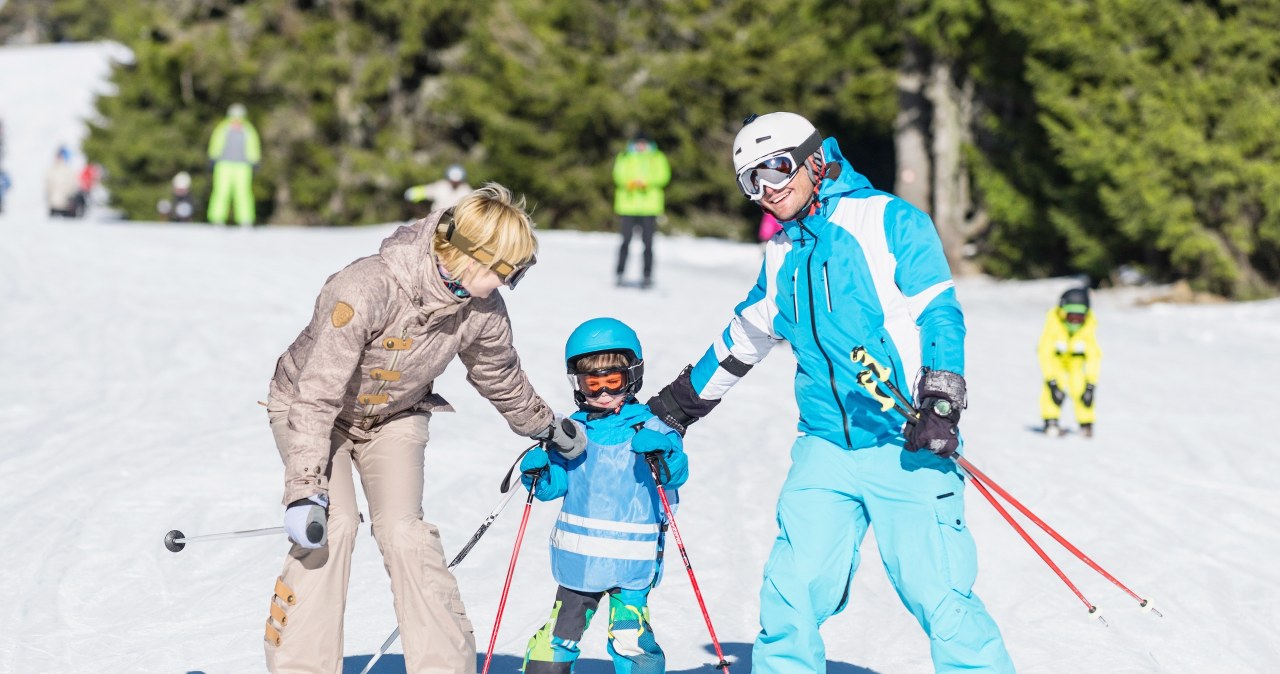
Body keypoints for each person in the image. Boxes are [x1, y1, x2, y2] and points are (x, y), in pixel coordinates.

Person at [644, 112, 1015, 672]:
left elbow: (938, 313)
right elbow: (741, 341)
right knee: (791, 591)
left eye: (775, 169)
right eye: (752, 182)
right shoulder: (781, 255)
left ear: (815, 160)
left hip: (905, 439)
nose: (767, 191)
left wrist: (941, 401)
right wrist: (672, 410)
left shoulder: (889, 221)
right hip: (824, 446)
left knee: (939, 594)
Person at [262, 184, 587, 674]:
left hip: (394, 416)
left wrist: (544, 426)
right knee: (332, 525)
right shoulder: (365, 287)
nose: (506, 283)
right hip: (312, 414)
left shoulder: (481, 310)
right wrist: (305, 489)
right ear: (470, 257)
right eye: (505, 271)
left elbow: (498, 375)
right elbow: (318, 394)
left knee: (405, 533)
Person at [516, 317, 688, 674]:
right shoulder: (571, 433)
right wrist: (538, 473)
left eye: (613, 381)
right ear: (578, 385)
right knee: (559, 637)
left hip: (632, 564)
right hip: (580, 564)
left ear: (633, 375)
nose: (603, 393)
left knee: (630, 640)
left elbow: (677, 475)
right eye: (591, 384)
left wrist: (663, 453)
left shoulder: (653, 427)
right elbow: (554, 487)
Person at [1037, 287, 1102, 438]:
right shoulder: (1053, 323)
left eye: (1080, 317)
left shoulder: (1089, 327)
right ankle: (1050, 421)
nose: (1075, 321)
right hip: (1056, 361)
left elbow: (1094, 356)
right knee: (1053, 389)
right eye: (1071, 316)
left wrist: (1091, 385)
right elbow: (1044, 352)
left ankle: (1086, 423)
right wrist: (1051, 382)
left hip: (1076, 363)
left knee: (1080, 387)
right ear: (1062, 312)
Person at [612, 132, 670, 289]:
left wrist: (647, 183)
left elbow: (664, 176)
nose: (641, 146)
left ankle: (647, 275)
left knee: (648, 244)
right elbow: (618, 175)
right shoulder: (624, 157)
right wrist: (630, 183)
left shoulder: (657, 157)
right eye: (639, 143)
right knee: (625, 242)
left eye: (644, 143)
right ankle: (619, 273)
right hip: (628, 206)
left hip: (649, 207)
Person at [206, 102, 261, 227]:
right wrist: (212, 158)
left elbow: (253, 146)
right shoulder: (223, 128)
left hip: (243, 166)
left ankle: (245, 219)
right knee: (221, 191)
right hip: (223, 164)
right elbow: (216, 143)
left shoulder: (248, 130)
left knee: (243, 192)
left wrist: (255, 161)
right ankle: (217, 218)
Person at [404, 163, 474, 211]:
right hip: (436, 222)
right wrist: (413, 193)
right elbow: (427, 191)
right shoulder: (441, 186)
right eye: (452, 181)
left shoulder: (466, 191)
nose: (454, 183)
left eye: (457, 181)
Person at [45, 146, 81, 218]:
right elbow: (48, 186)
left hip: (66, 205)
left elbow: (73, 186)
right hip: (55, 204)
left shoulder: (68, 170)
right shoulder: (52, 170)